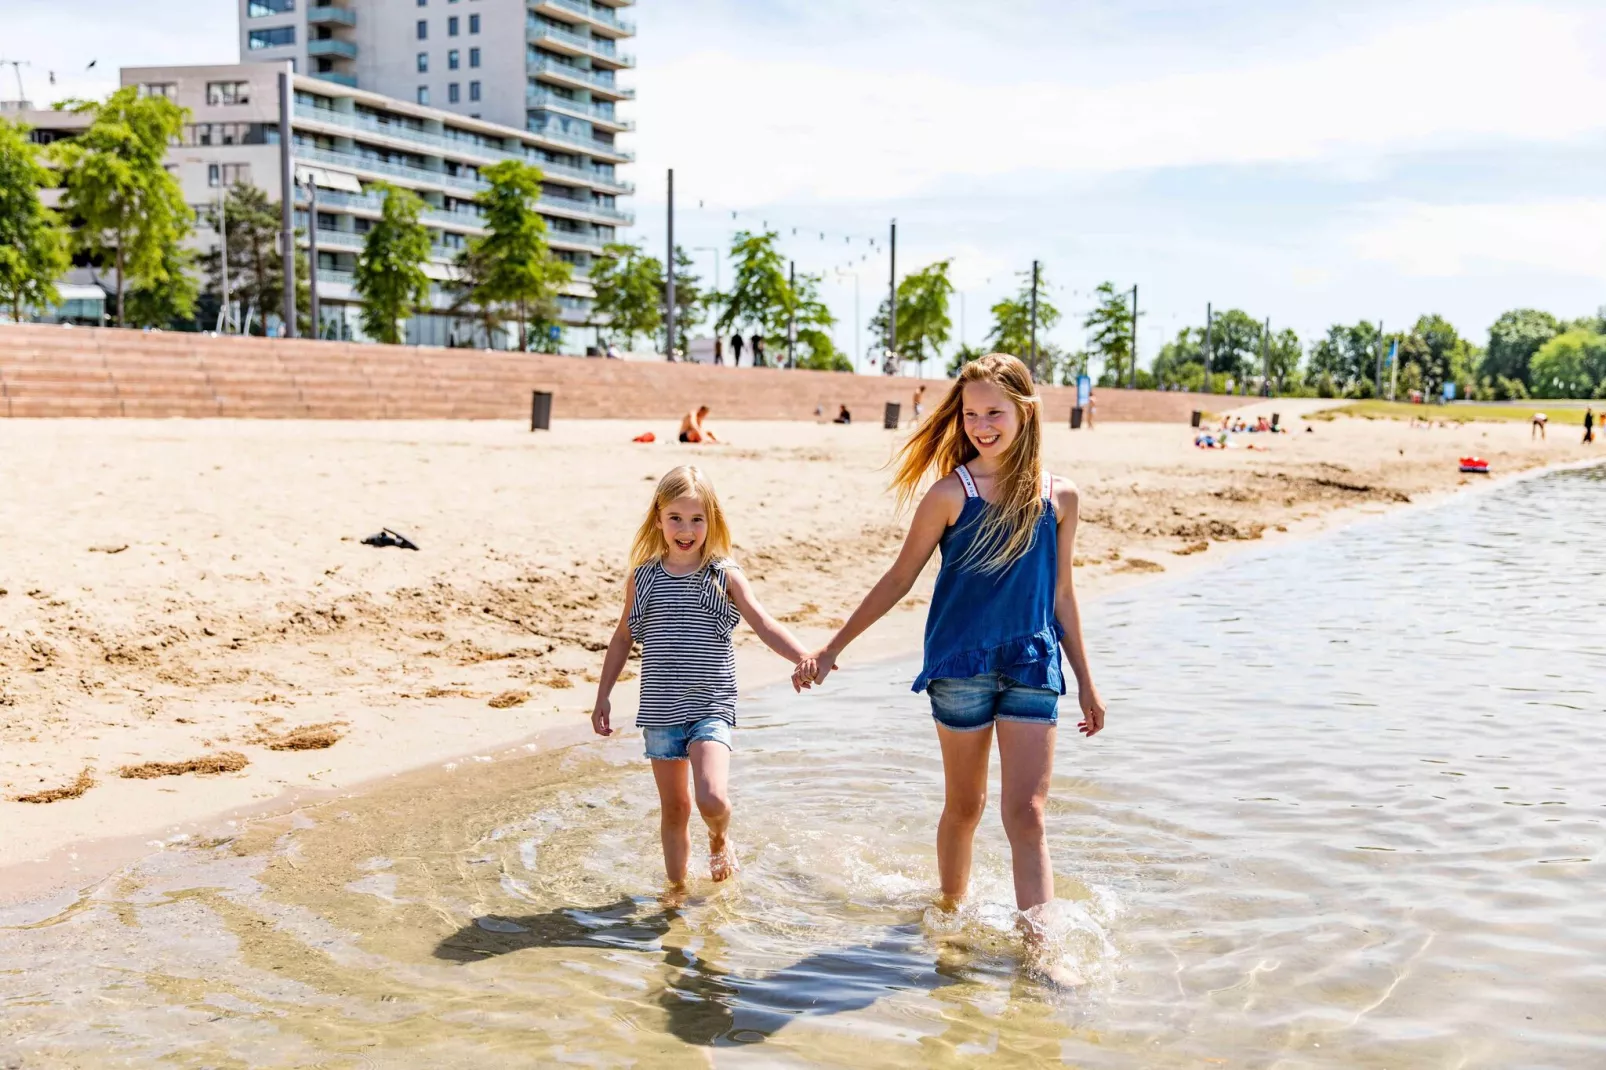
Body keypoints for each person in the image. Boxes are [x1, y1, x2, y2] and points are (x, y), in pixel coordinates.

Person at [794, 354, 1106, 983]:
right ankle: (951, 912)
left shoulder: (1059, 495)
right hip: (960, 665)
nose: (982, 425)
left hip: (1032, 663)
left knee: (1029, 814)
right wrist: (833, 648)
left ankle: (1043, 955)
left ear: (1025, 410)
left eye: (995, 412)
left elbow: (1063, 596)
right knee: (964, 807)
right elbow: (900, 578)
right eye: (971, 414)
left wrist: (1088, 685)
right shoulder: (949, 494)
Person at [591, 466, 811, 888]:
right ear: (658, 519)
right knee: (675, 809)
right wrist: (603, 695)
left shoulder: (723, 575)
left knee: (712, 799)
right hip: (659, 711)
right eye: (675, 518)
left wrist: (802, 655)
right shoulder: (644, 578)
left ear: (712, 520)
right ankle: (675, 898)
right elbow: (623, 637)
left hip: (710, 705)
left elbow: (763, 623)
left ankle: (719, 836)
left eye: (696, 519)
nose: (686, 529)